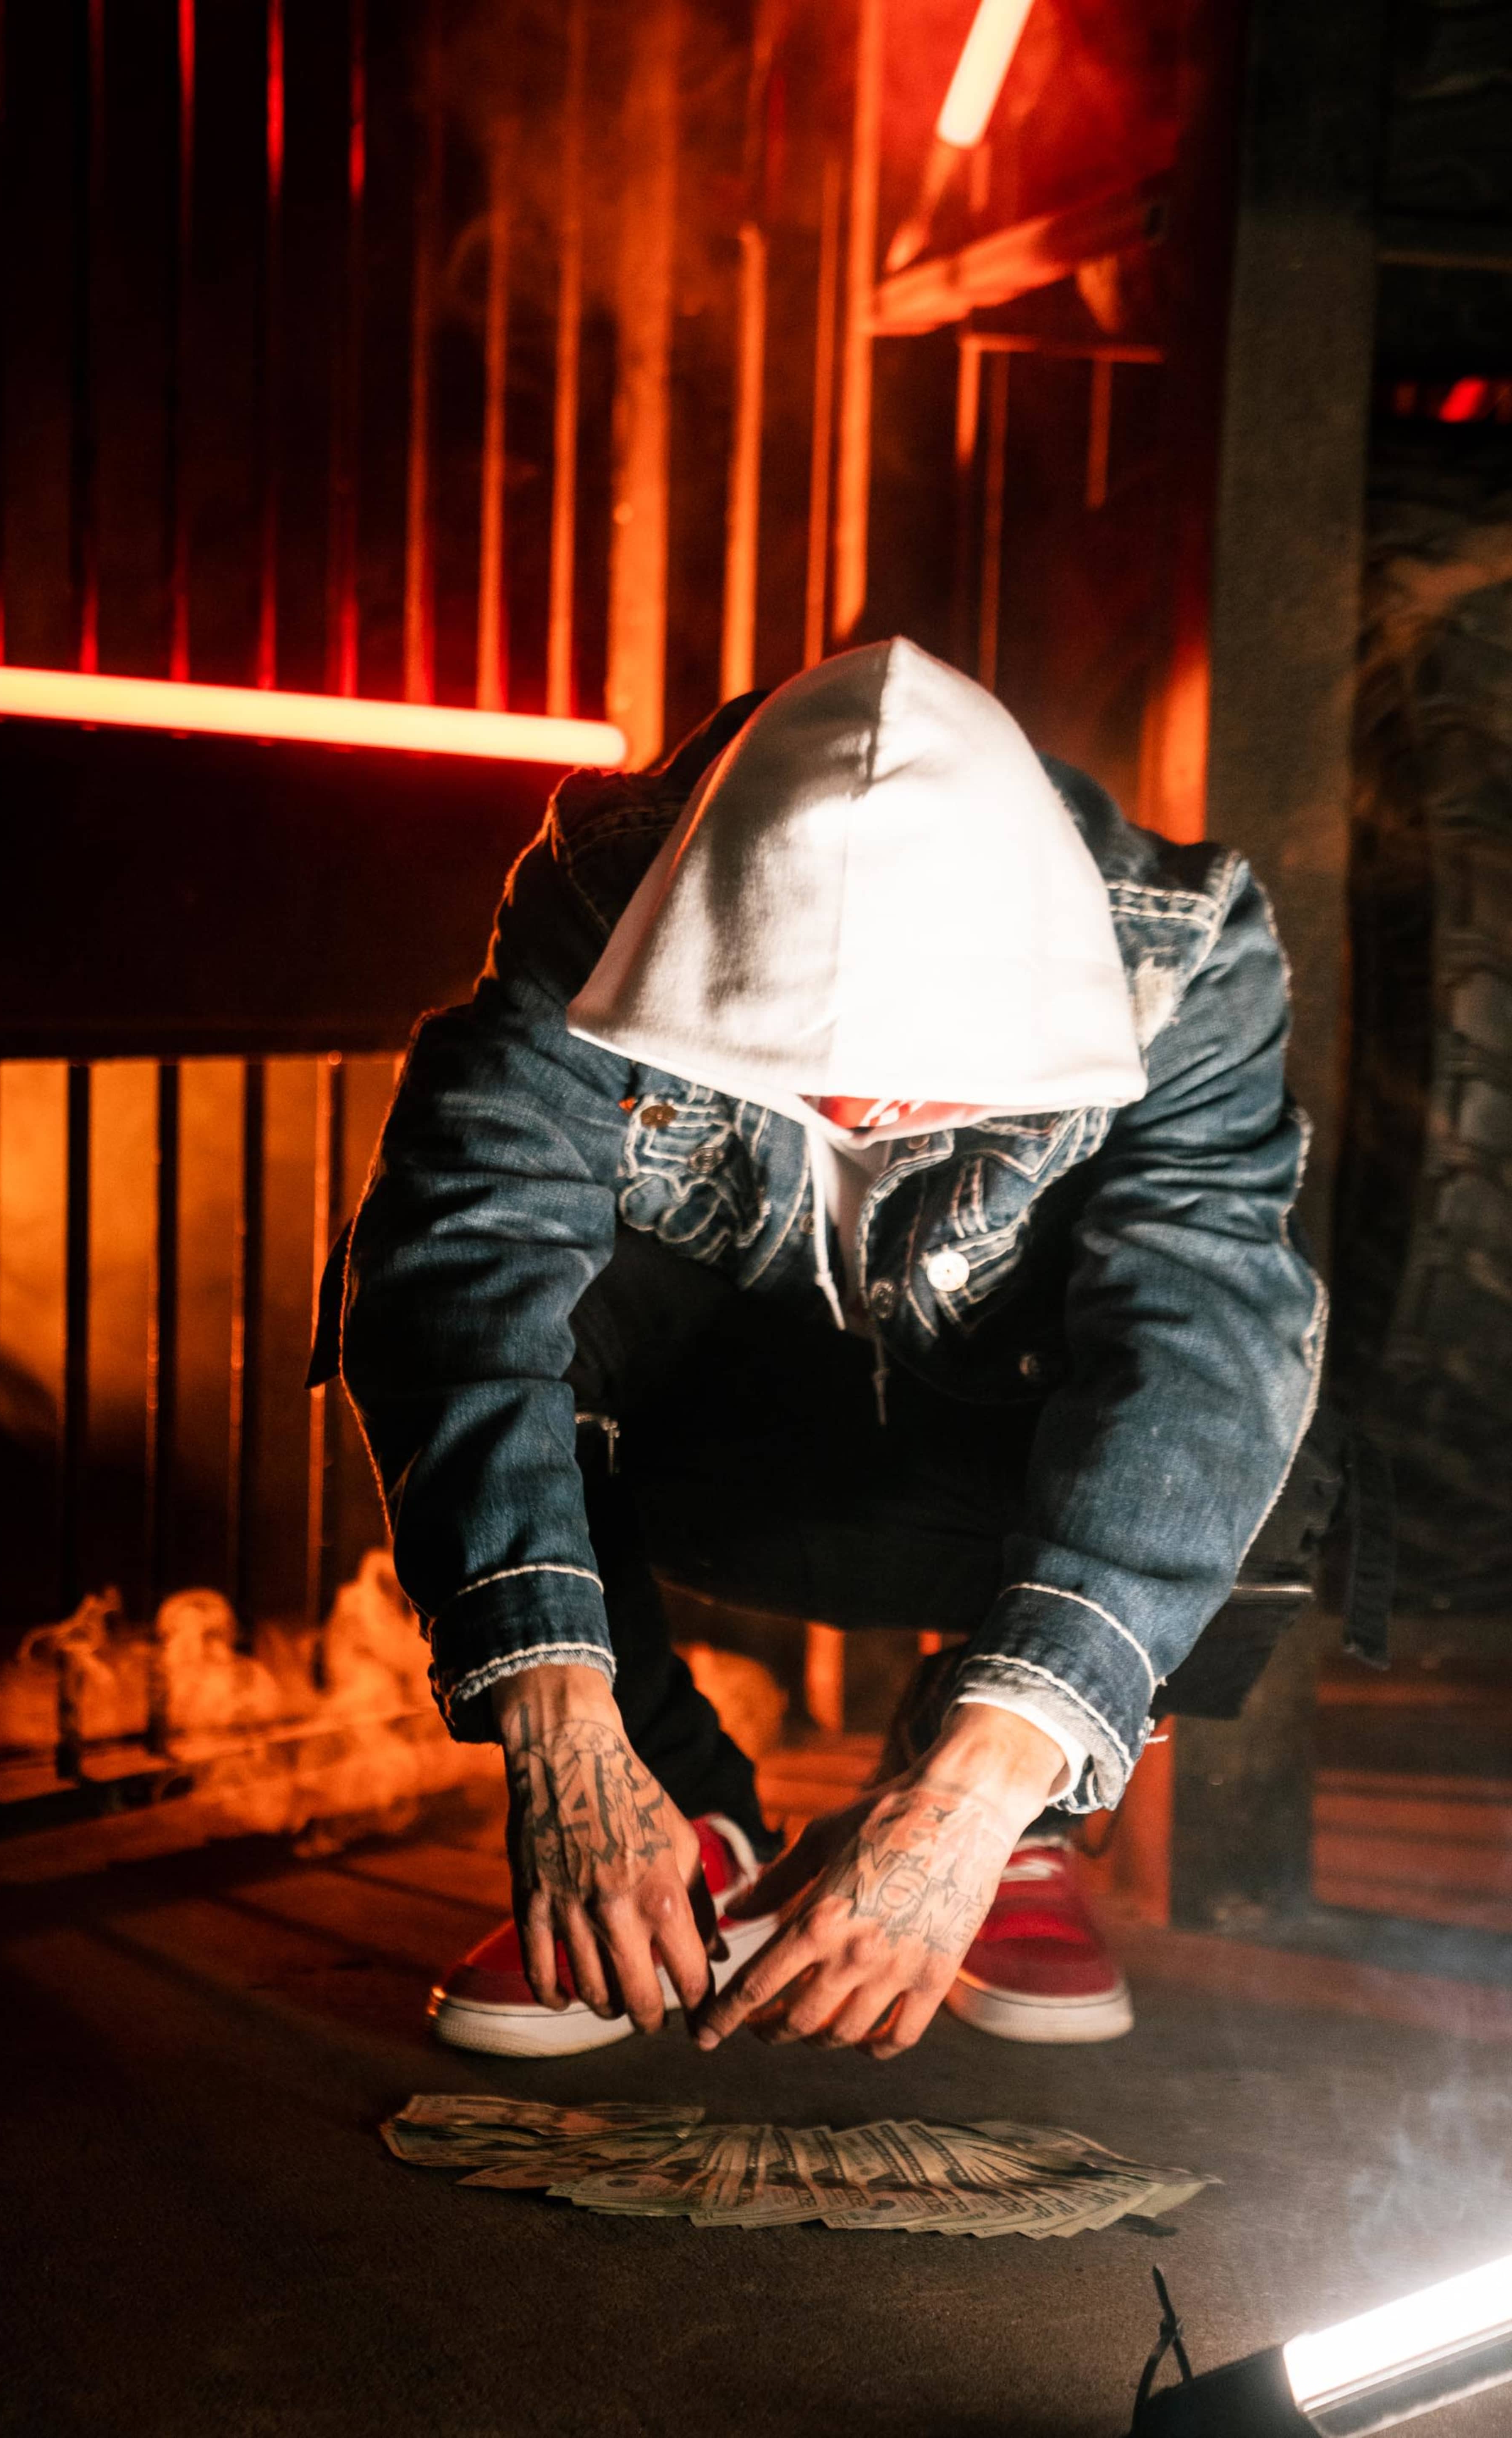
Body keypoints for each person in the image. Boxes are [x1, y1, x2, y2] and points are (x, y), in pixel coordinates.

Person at [323, 637, 1324, 2064]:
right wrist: (555, 1722)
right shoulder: (604, 888)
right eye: (805, 1053)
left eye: (929, 1066)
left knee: (1270, 1414)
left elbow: (1202, 1349)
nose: (864, 1106)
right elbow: (469, 1262)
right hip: (711, 1446)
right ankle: (676, 1823)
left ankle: (1002, 1814)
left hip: (980, 1456)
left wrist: (974, 1791)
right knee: (440, 1252)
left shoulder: (1183, 955)